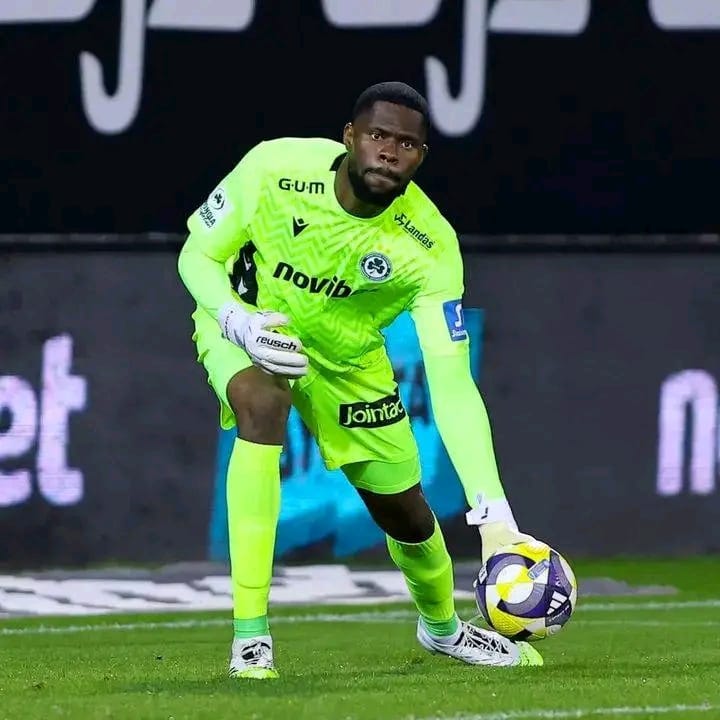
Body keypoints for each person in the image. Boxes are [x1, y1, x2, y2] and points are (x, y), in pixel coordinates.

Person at [177, 81, 541, 679]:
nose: (390, 151)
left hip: (348, 362)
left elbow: (452, 383)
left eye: (407, 144)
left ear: (421, 157)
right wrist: (236, 319)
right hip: (248, 324)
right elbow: (197, 256)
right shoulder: (275, 168)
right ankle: (250, 637)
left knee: (406, 514)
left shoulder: (430, 245)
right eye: (378, 135)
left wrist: (494, 514)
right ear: (349, 137)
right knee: (260, 402)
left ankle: (443, 630)